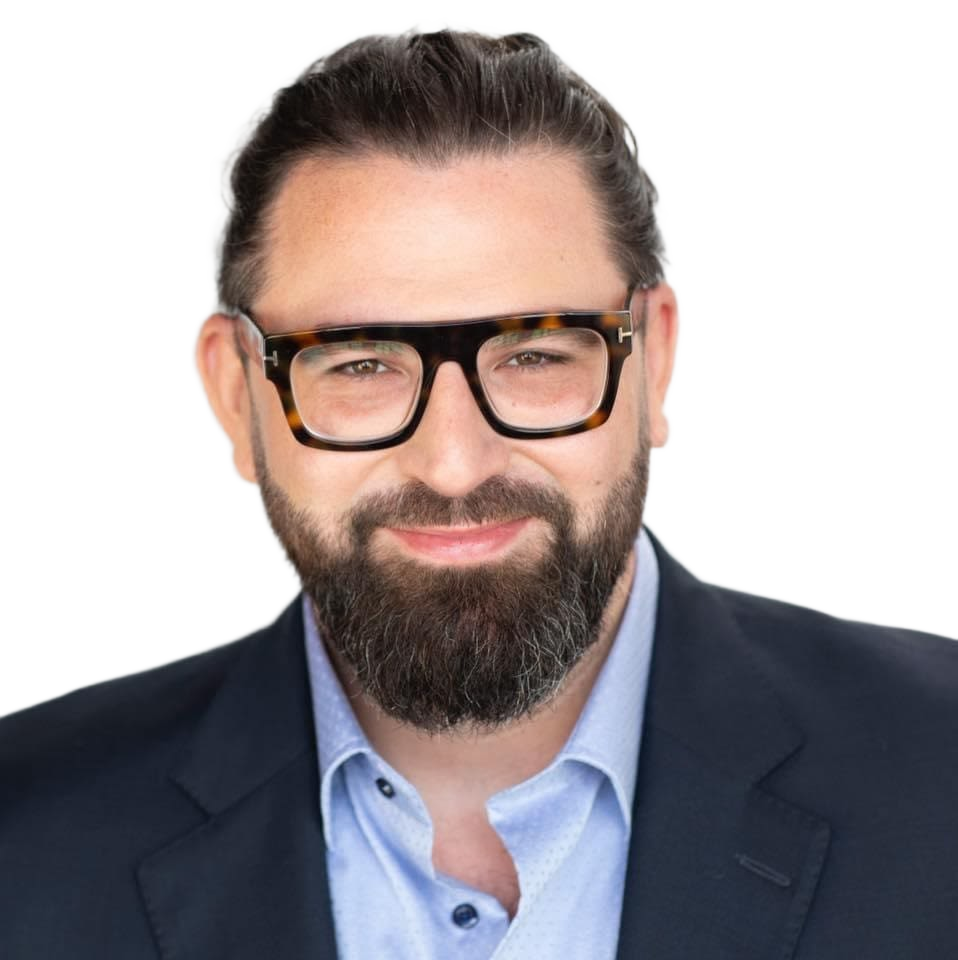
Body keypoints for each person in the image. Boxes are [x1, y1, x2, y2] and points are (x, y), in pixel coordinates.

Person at [2, 27, 956, 960]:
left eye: (535, 356)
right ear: (234, 392)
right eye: (361, 363)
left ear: (655, 360)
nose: (454, 465)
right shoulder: (24, 833)